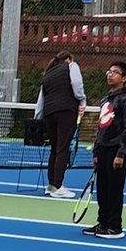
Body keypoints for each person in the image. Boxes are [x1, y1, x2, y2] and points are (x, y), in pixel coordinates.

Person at [82, 61, 126, 240]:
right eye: (109, 71)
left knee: (114, 189)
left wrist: (121, 153)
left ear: (124, 78)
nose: (110, 74)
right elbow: (101, 127)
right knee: (103, 189)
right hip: (103, 149)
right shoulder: (106, 99)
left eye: (115, 72)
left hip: (116, 150)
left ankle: (115, 226)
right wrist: (96, 152)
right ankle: (103, 222)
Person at [33, 50, 86, 198]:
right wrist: (81, 99)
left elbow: (40, 101)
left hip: (49, 114)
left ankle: (51, 185)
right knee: (62, 149)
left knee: (55, 149)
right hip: (66, 111)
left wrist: (37, 118)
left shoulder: (48, 74)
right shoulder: (72, 66)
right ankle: (58, 185)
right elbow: (77, 84)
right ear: (69, 59)